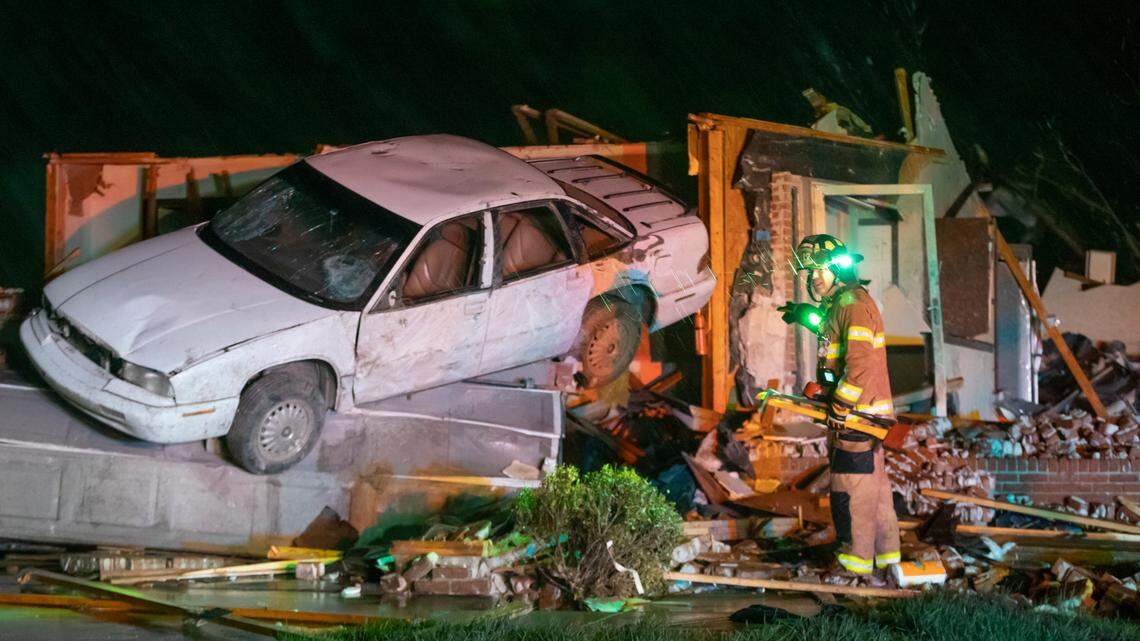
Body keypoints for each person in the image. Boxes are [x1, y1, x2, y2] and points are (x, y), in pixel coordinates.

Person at [793, 234, 900, 576]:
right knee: (875, 493)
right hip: (866, 416)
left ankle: (853, 566)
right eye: (811, 272)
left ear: (838, 270)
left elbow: (859, 365)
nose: (814, 278)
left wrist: (839, 407)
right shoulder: (845, 303)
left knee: (850, 493)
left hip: (855, 417)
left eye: (821, 270)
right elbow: (836, 344)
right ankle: (887, 563)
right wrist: (806, 315)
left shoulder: (851, 304)